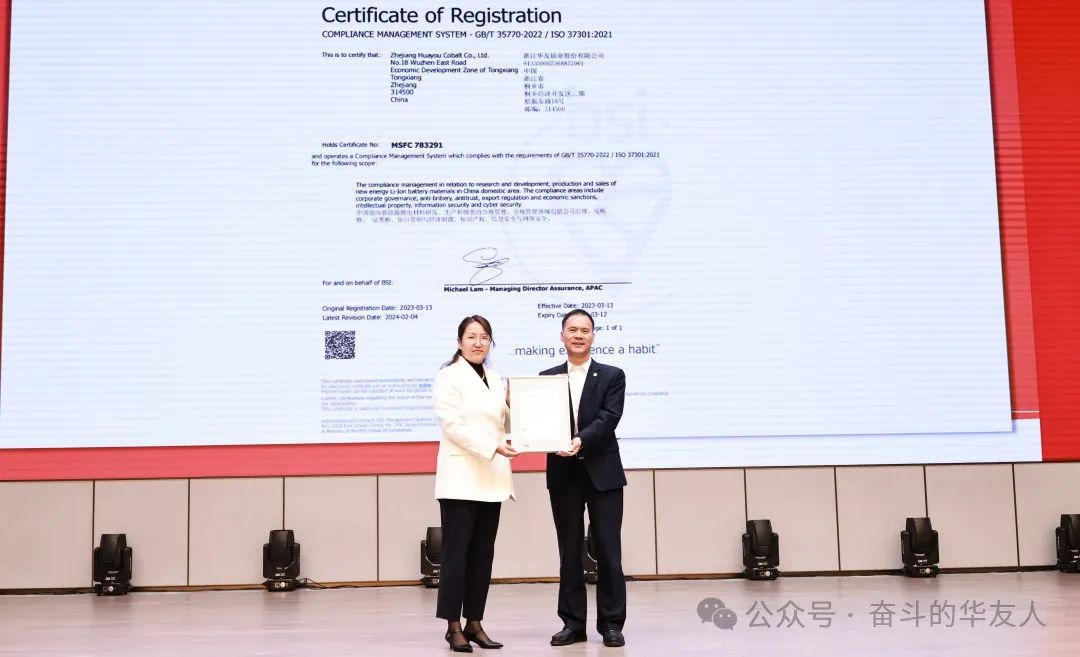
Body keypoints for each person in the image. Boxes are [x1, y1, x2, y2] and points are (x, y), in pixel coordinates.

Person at [540, 309, 628, 648]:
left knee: (609, 552)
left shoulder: (612, 375)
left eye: (585, 330)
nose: (578, 335)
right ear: (562, 335)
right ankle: (573, 624)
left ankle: (611, 625)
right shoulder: (545, 378)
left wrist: (580, 440)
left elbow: (609, 417)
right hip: (563, 475)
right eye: (572, 329)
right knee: (569, 551)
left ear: (593, 336)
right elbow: (538, 421)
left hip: (603, 474)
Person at [433, 315, 519, 652]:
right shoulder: (447, 377)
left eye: (484, 337)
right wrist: (492, 446)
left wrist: (515, 405)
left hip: (492, 477)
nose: (478, 342)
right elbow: (452, 425)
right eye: (471, 336)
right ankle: (452, 626)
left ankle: (474, 623)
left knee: (483, 556)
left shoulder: (496, 379)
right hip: (460, 479)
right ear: (459, 342)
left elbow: (504, 423)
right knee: (456, 556)